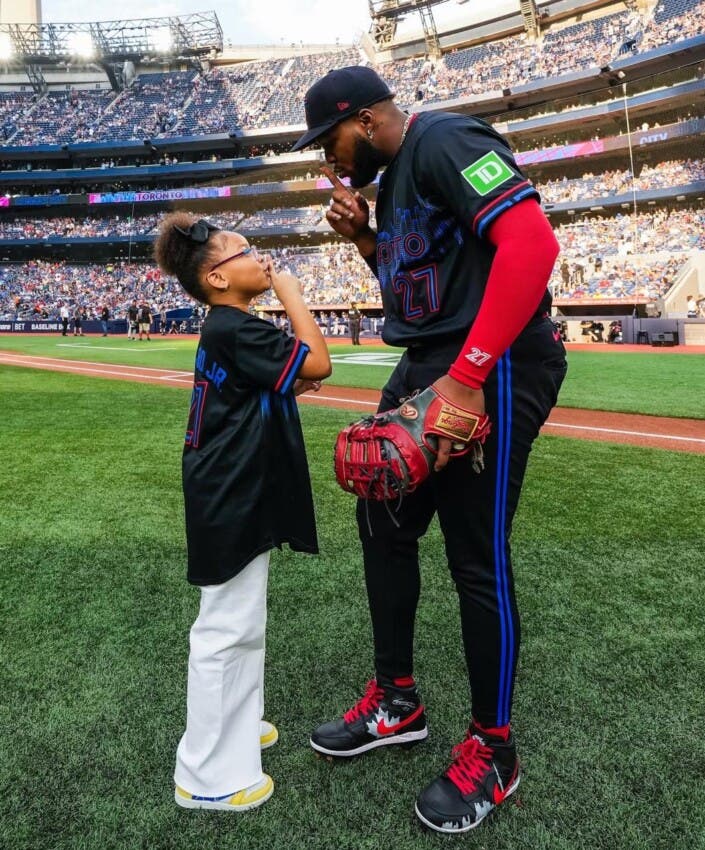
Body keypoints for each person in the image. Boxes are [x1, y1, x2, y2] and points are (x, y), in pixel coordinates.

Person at [291, 66, 567, 833]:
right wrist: (365, 240)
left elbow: (531, 243)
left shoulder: (443, 138)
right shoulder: (390, 184)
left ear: (366, 118)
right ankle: (397, 700)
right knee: (380, 515)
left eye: (330, 140)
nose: (328, 159)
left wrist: (469, 377)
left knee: (474, 554)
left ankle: (494, 750)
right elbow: (423, 289)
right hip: (429, 357)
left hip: (494, 360)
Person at [153, 213, 331, 813]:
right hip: (230, 488)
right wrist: (293, 295)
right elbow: (318, 363)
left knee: (243, 620)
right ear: (219, 278)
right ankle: (206, 775)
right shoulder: (234, 325)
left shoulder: (230, 326)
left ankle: (239, 723)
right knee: (225, 627)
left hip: (236, 482)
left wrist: (288, 377)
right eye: (246, 251)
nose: (261, 257)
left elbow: (268, 384)